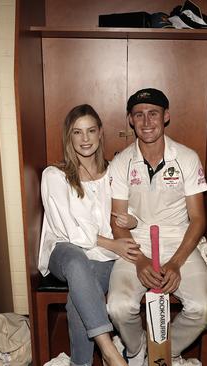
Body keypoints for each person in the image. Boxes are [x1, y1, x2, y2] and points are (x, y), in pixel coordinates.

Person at [107, 88, 207, 365]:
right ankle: (135, 349)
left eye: (153, 114)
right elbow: (117, 221)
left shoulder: (187, 158)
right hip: (136, 243)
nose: (147, 122)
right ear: (130, 120)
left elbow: (198, 219)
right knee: (118, 307)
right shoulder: (122, 162)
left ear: (166, 116)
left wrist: (176, 263)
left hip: (179, 240)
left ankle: (162, 354)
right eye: (139, 115)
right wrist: (141, 261)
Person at [39, 104, 141, 366]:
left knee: (80, 294)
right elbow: (71, 231)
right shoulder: (55, 176)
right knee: (76, 262)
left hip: (104, 257)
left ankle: (80, 363)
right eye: (77, 132)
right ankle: (109, 351)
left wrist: (132, 219)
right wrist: (113, 244)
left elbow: (134, 211)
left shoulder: (114, 173)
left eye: (90, 131)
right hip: (64, 251)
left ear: (100, 133)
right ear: (68, 137)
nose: (85, 139)